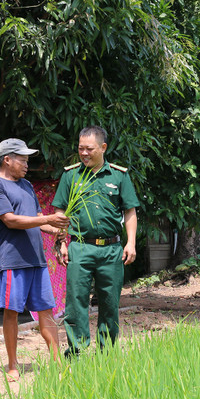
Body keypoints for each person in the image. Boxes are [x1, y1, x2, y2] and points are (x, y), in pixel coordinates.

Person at [0, 138, 69, 380]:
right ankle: (13, 365)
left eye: (27, 160)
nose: (26, 164)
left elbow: (37, 217)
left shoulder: (27, 185)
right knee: (12, 312)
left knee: (46, 311)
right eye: (22, 159)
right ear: (7, 160)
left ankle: (58, 363)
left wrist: (55, 229)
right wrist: (48, 219)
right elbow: (10, 220)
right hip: (13, 260)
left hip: (36, 259)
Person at [52, 126, 140, 356]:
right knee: (75, 304)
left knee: (110, 304)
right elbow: (60, 211)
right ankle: (77, 353)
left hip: (111, 250)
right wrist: (62, 243)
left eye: (89, 149)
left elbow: (130, 211)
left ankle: (106, 353)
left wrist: (130, 243)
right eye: (80, 148)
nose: (84, 153)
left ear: (103, 148)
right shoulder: (71, 175)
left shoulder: (119, 175)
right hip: (80, 247)